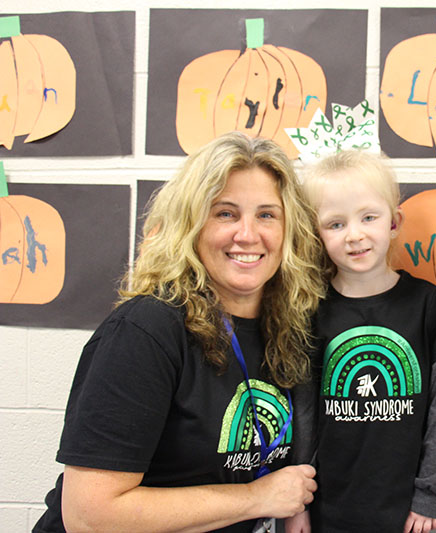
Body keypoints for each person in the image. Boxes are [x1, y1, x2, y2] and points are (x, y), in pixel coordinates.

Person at [34, 132, 326, 533]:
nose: (248, 234)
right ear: (191, 225)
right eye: (225, 213)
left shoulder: (285, 330)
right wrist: (256, 498)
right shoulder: (146, 329)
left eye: (266, 214)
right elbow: (90, 516)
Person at [286, 150, 436, 533]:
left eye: (369, 217)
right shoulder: (311, 309)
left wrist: (430, 493)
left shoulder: (425, 303)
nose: (355, 235)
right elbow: (303, 412)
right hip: (326, 506)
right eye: (335, 224)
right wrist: (296, 502)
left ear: (394, 222)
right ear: (316, 233)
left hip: (405, 510)